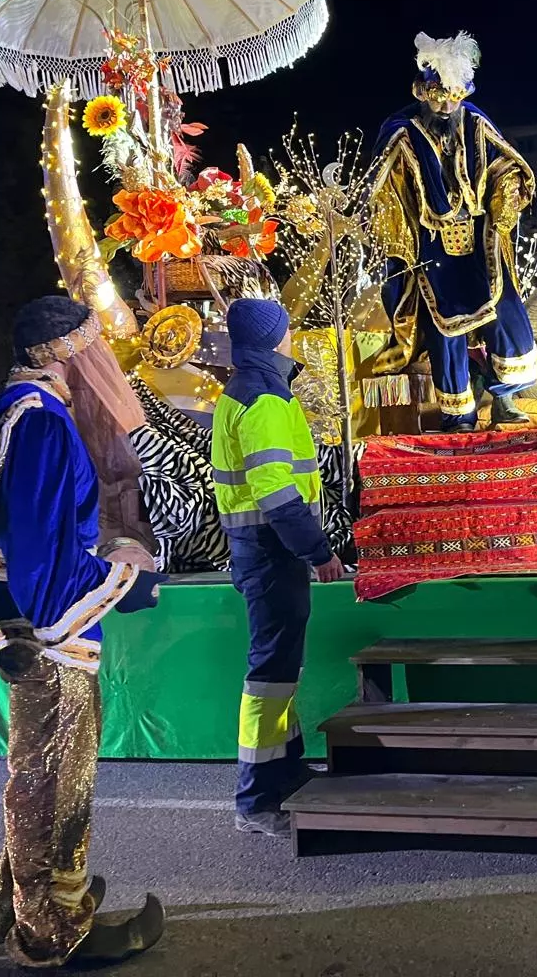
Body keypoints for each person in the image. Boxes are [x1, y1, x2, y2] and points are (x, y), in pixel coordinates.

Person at [0, 296, 166, 966]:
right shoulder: (42, 424)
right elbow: (45, 567)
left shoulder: (5, 407)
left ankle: (6, 897)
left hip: (11, 614)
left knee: (37, 771)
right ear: (66, 351)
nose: (102, 360)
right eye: (93, 345)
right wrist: (125, 581)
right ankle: (51, 928)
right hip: (43, 631)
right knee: (52, 780)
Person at [211, 298, 343, 837]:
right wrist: (318, 551)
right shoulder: (263, 399)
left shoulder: (248, 391)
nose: (293, 339)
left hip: (262, 548)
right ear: (273, 339)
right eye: (287, 331)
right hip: (271, 549)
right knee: (269, 675)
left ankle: (284, 770)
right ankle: (257, 797)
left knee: (282, 668)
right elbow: (276, 492)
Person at [369, 31, 537, 429]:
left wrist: (506, 192)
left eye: (453, 95)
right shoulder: (400, 128)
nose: (445, 104)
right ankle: (457, 412)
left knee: (506, 314)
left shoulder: (477, 120)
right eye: (436, 94)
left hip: (481, 239)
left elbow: (504, 164)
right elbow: (379, 185)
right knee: (444, 324)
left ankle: (504, 397)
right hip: (430, 243)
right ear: (421, 89)